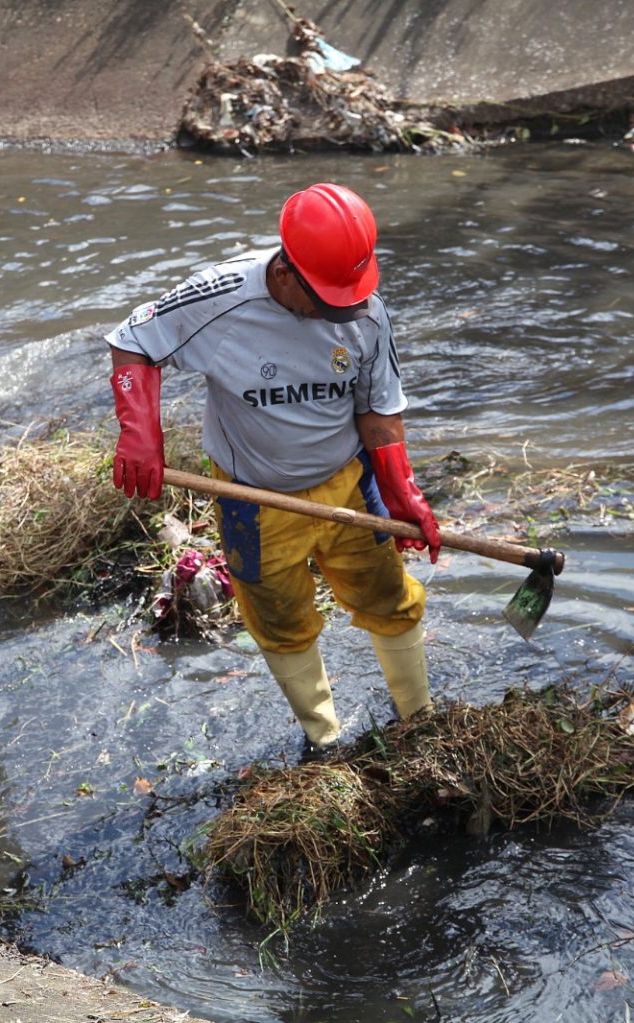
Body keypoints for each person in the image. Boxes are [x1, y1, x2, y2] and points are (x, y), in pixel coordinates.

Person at [105, 182, 442, 760]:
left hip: (346, 487)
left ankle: (420, 721)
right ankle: (325, 739)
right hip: (253, 500)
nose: (344, 312)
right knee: (280, 617)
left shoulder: (365, 311)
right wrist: (140, 431)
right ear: (287, 272)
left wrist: (402, 492)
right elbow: (134, 343)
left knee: (389, 597)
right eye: (329, 300)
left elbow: (377, 410)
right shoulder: (222, 297)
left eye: (350, 299)